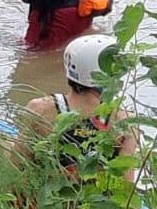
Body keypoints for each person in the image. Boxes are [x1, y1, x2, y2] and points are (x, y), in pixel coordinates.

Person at [22, 34, 138, 184]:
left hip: (48, 199)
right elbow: (126, 184)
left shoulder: (39, 109)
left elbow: (16, 166)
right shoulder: (126, 121)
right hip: (94, 203)